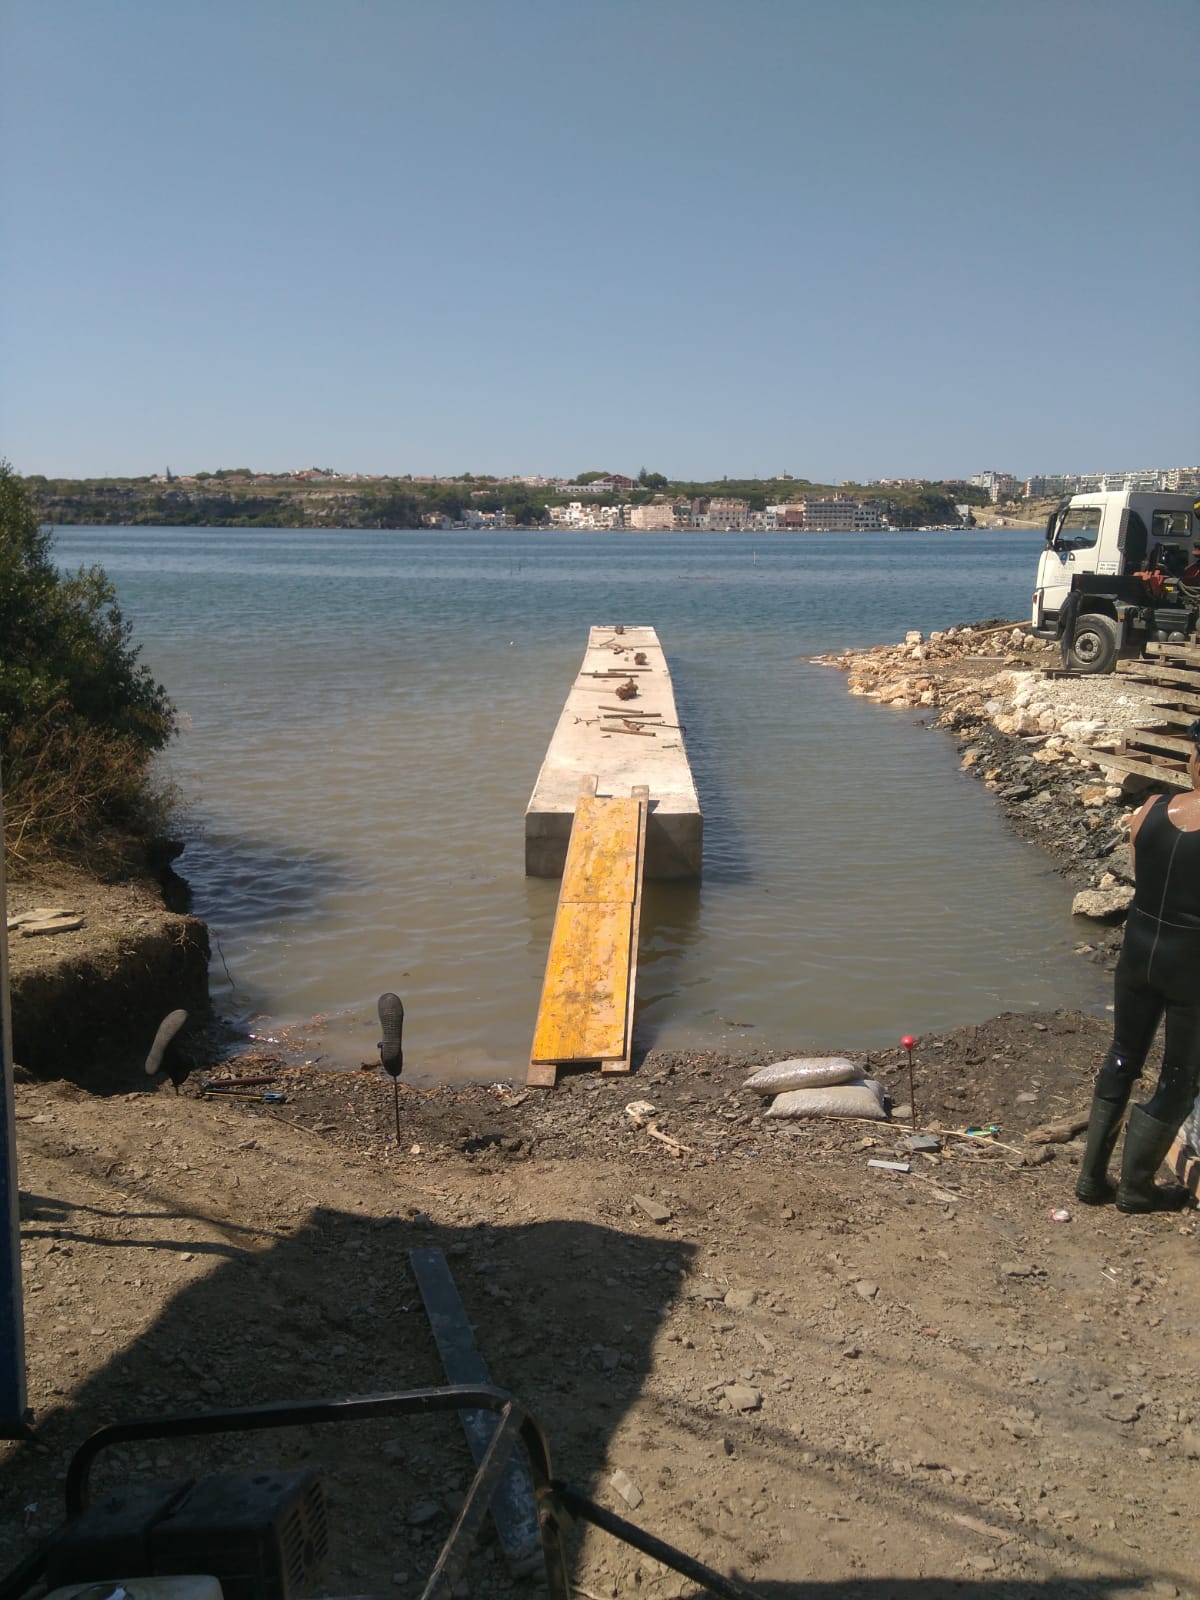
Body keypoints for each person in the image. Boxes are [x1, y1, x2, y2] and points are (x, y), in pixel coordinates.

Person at [1075, 718, 1200, 1213]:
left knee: (1124, 1054)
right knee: (1179, 1074)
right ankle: (1135, 1186)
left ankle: (1090, 1178)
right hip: (1191, 966)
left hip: (1138, 951)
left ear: (1194, 759)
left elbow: (1144, 878)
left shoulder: (1148, 809)